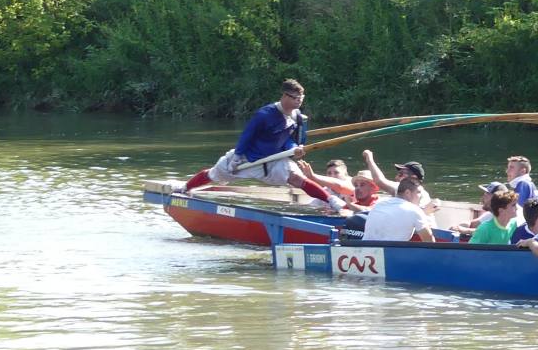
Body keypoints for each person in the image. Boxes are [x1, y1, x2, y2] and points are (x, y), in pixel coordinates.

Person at [181, 79, 341, 210]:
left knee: (297, 179)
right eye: (295, 98)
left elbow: (288, 140)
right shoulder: (264, 115)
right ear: (285, 96)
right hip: (248, 158)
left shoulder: (297, 117)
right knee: (214, 174)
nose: (299, 101)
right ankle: (185, 188)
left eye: (302, 98)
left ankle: (331, 201)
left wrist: (294, 149)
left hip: (274, 159)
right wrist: (236, 158)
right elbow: (247, 136)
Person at [362, 177, 436, 243]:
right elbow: (429, 241)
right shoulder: (415, 210)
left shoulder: (379, 204)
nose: (421, 196)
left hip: (366, 252)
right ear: (407, 192)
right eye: (419, 192)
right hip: (391, 254)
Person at [361, 151, 436, 213]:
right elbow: (379, 180)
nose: (396, 177)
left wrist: (369, 159)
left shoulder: (422, 195)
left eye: (401, 174)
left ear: (414, 177)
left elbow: (379, 181)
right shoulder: (399, 188)